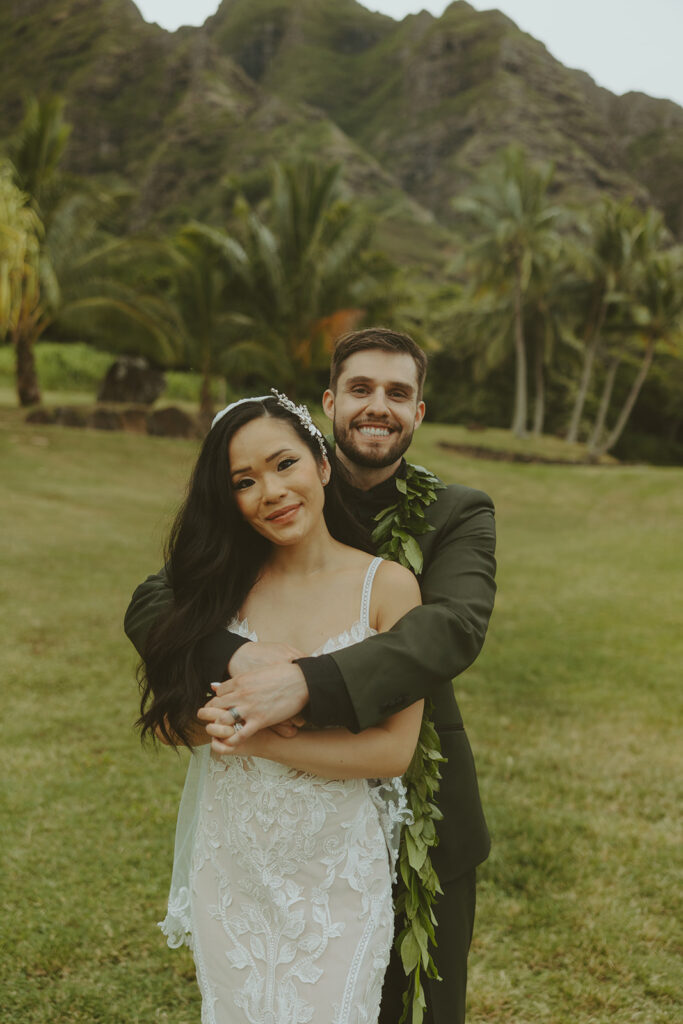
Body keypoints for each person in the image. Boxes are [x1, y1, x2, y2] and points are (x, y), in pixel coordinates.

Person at [126, 328, 497, 1024]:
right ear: (329, 405)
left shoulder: (456, 515)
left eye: (398, 393)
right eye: (360, 389)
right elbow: (155, 601)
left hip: (413, 805)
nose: (377, 406)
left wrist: (303, 686)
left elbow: (448, 630)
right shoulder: (264, 517)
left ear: (419, 411)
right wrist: (235, 659)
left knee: (417, 1006)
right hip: (256, 843)